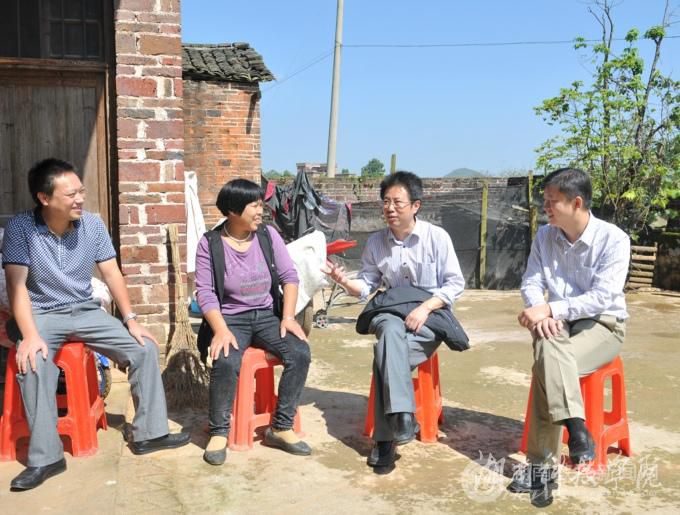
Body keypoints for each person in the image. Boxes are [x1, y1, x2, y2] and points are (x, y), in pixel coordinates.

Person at [1, 158, 190, 491]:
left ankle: (149, 434)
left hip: (86, 310)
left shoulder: (92, 224)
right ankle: (46, 457)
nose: (80, 199)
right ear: (44, 198)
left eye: (82, 191)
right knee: (33, 364)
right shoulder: (21, 228)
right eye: (71, 194)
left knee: (143, 348)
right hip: (42, 313)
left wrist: (131, 320)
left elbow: (112, 273)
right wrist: (29, 335)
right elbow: (16, 285)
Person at [324, 171, 466, 474]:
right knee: (388, 329)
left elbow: (455, 284)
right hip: (389, 309)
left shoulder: (436, 238)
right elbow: (366, 286)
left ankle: (385, 439)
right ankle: (402, 417)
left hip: (428, 315)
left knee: (384, 355)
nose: (389, 208)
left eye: (397, 202)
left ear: (415, 205)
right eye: (385, 202)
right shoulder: (377, 242)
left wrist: (425, 308)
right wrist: (343, 281)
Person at [507, 167, 630, 507]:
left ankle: (541, 468)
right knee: (549, 350)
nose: (545, 207)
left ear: (576, 203)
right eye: (545, 200)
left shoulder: (614, 240)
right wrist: (539, 309)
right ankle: (577, 428)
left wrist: (550, 309)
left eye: (552, 201)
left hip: (603, 324)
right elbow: (532, 281)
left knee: (547, 364)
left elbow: (602, 298)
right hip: (557, 324)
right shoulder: (545, 236)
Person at [195, 178, 311, 466]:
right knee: (226, 360)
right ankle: (219, 431)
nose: (261, 211)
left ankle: (281, 427)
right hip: (230, 318)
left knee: (299, 352)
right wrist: (221, 330)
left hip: (267, 315)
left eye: (261, 205)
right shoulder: (210, 244)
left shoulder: (268, 236)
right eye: (255, 206)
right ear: (233, 211)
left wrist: (288, 317)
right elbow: (205, 292)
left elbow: (289, 277)